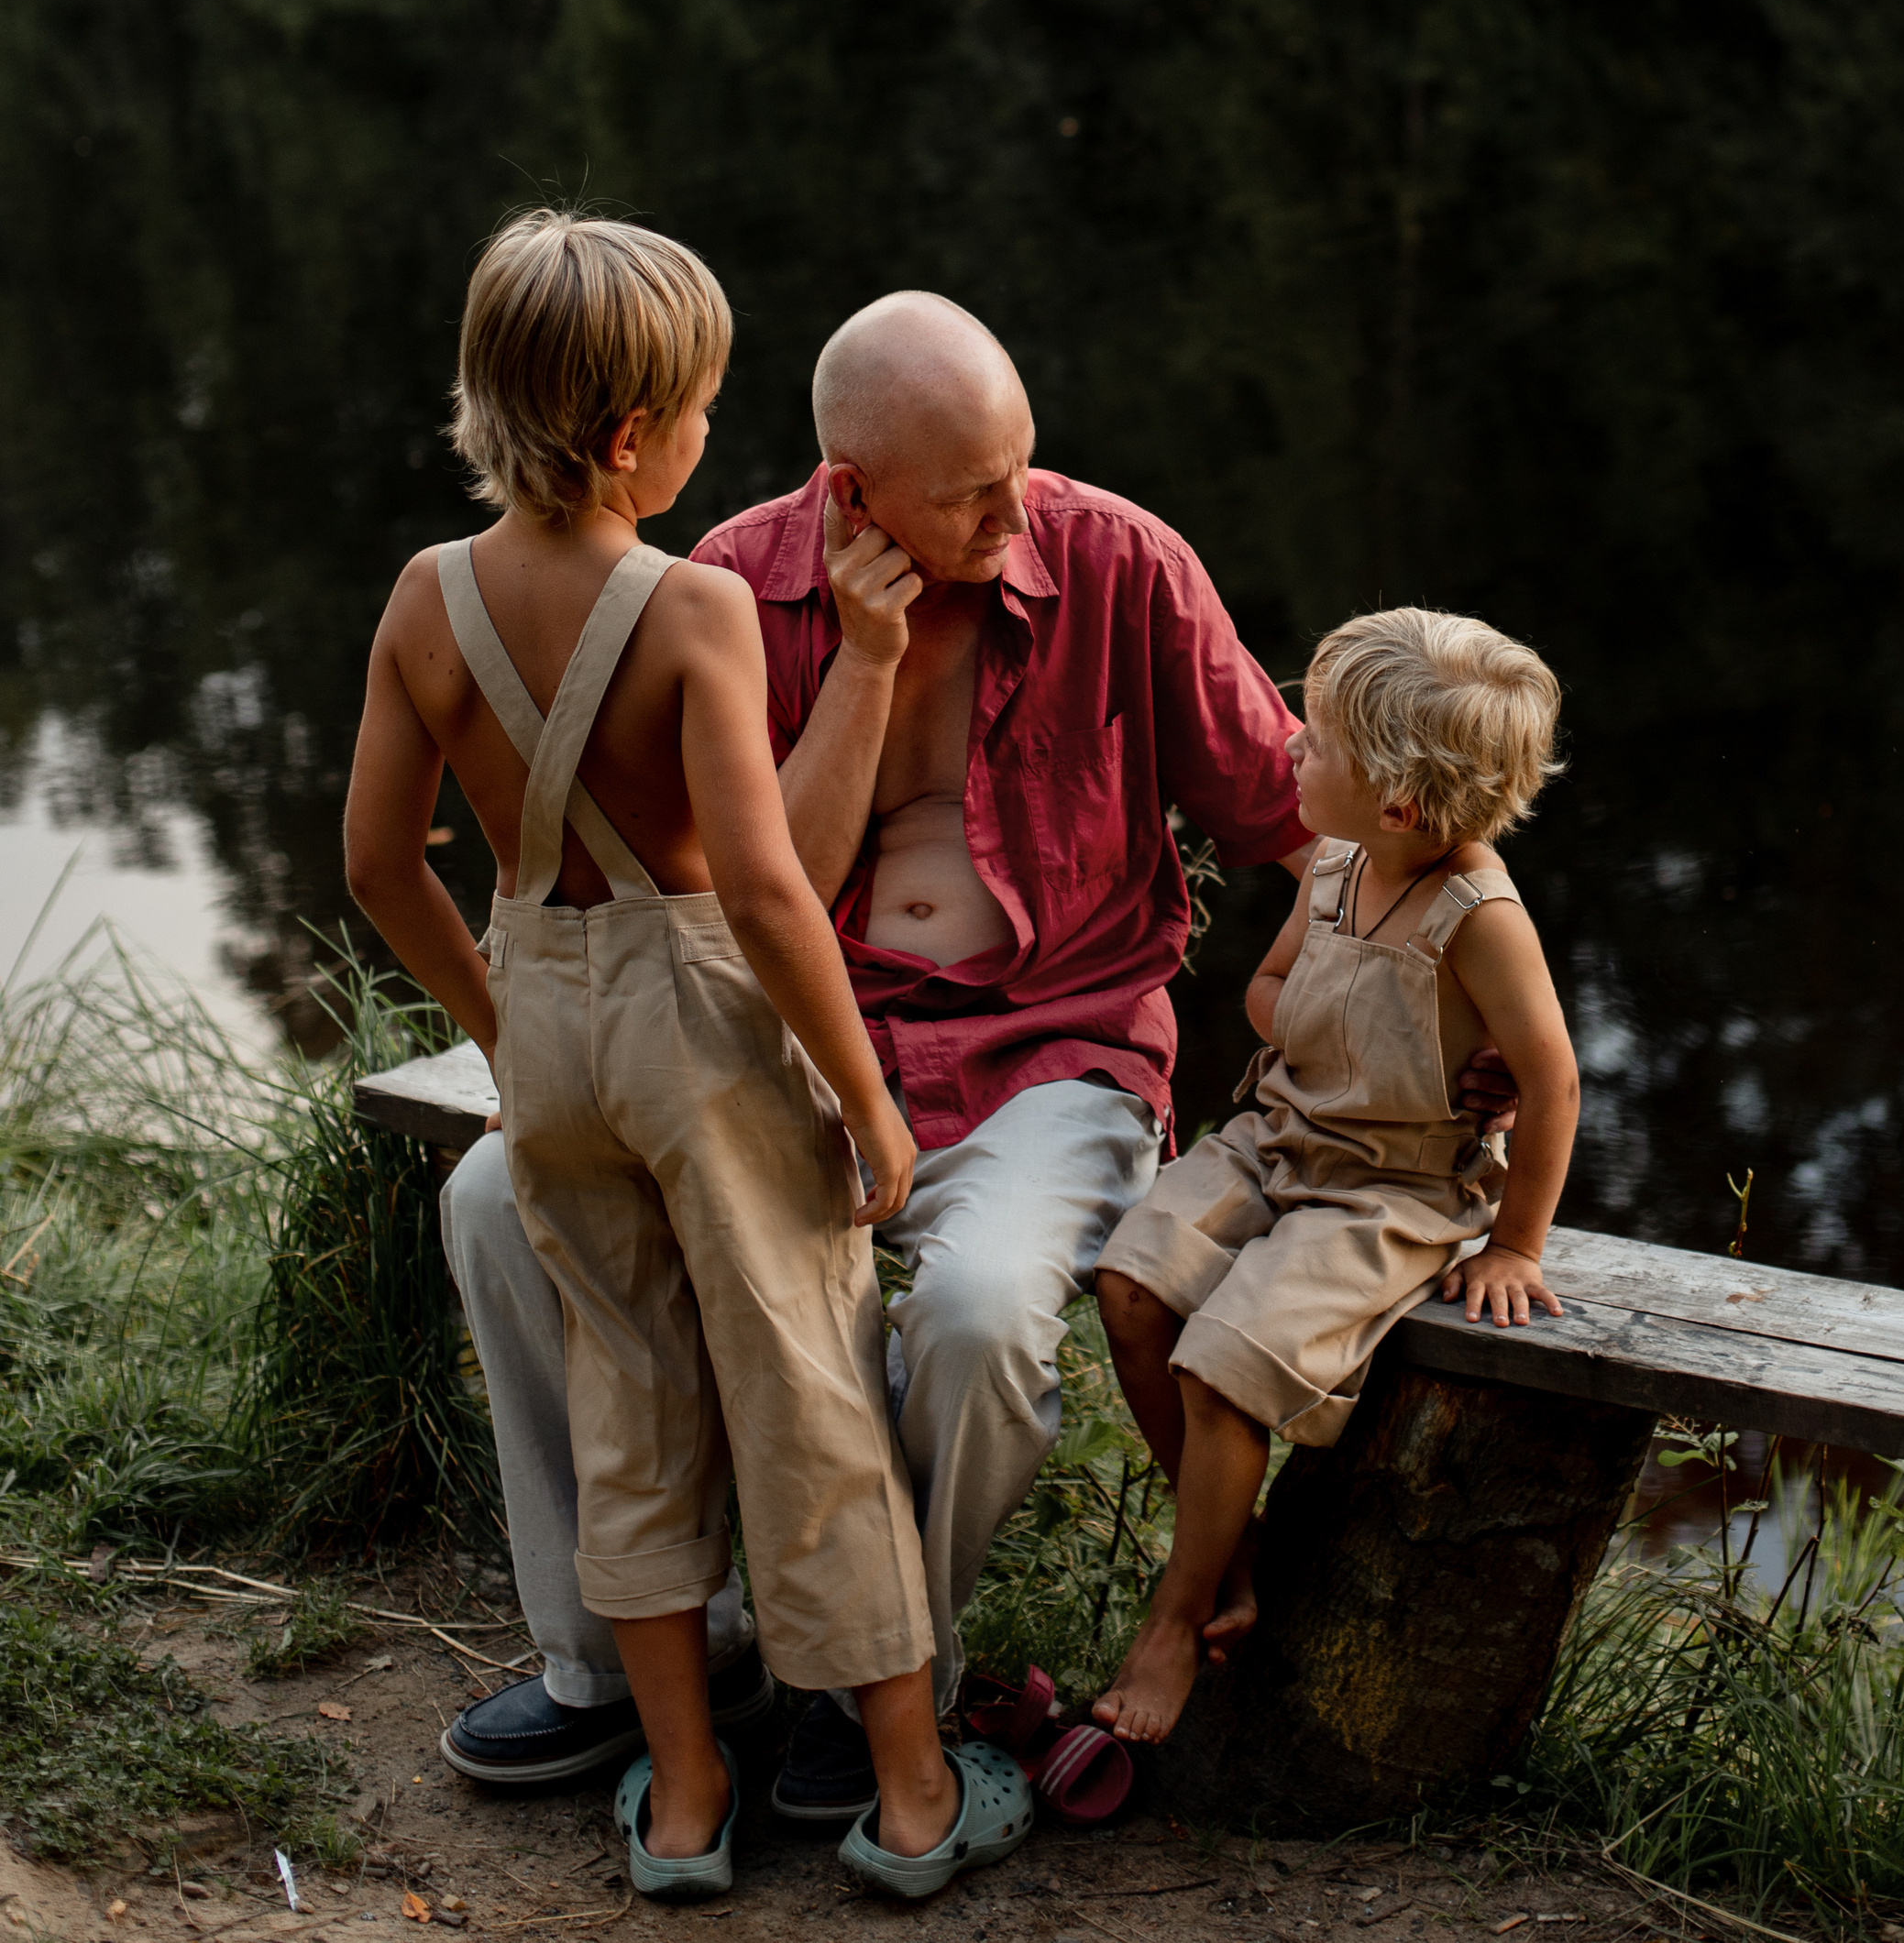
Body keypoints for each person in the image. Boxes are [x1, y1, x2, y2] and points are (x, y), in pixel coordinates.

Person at [435, 286, 1325, 1822]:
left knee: (978, 1317)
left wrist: (1406, 1026)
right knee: (491, 1199)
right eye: (976, 489)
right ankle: (631, 1662)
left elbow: (1311, 825)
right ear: (854, 492)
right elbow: (753, 883)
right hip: (794, 1047)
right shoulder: (728, 587)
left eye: (1023, 462)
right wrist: (860, 657)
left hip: (1059, 1053)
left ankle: (862, 1678)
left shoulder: (1121, 561)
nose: (1017, 506)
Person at [344, 215, 1031, 1901]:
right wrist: (866, 1094)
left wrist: (508, 1025)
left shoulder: (427, 600)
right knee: (803, 1392)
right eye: (708, 408)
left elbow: (376, 865)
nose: (718, 439)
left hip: (554, 1025)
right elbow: (772, 892)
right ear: (635, 434)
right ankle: (915, 1786)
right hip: (703, 1035)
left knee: (629, 1403)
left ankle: (679, 1797)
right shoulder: (694, 607)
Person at [1088, 605, 1580, 1745]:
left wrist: (1514, 1242)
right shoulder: (1335, 865)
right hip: (1277, 1136)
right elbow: (1268, 993)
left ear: (1401, 800)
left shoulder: (1479, 917)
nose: (1288, 752)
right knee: (1129, 1287)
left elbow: (1552, 1085)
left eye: (1313, 742)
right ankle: (1235, 1546)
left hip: (1393, 1187)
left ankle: (1176, 1612)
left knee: (1223, 1366)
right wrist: (1319, 1017)